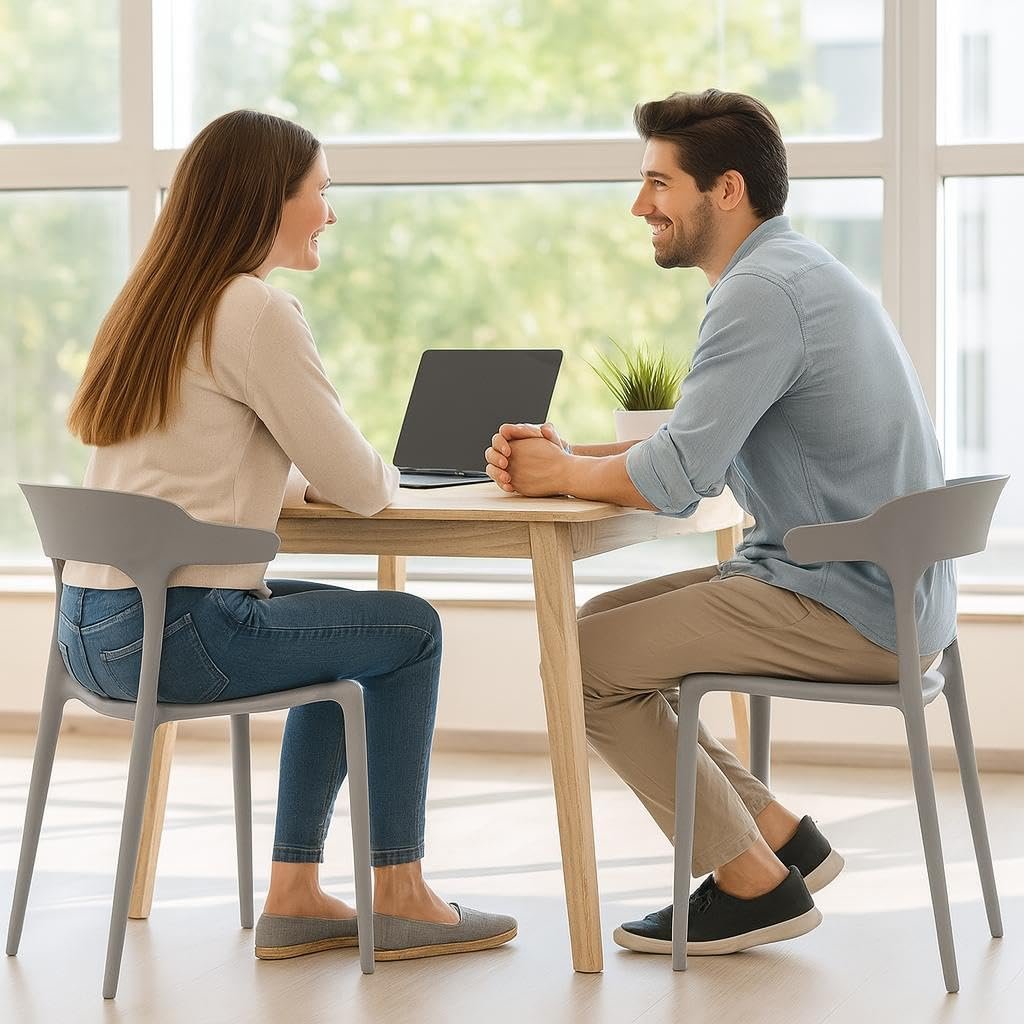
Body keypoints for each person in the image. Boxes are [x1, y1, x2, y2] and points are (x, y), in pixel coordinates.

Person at [485, 89, 953, 956]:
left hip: (846, 599)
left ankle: (752, 886)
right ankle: (776, 838)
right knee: (592, 631)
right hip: (872, 586)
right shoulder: (797, 272)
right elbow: (696, 446)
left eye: (658, 184)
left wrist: (565, 471)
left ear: (725, 190)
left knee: (579, 662)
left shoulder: (762, 293)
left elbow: (675, 479)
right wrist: (573, 455)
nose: (640, 206)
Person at [59, 109, 516, 962]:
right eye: (322, 192)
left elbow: (198, 450)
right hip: (183, 631)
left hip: (94, 630)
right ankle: (402, 891)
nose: (330, 213)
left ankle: (298, 893)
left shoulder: (153, 303)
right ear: (272, 199)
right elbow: (358, 484)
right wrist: (389, 472)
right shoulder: (256, 309)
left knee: (344, 631)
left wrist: (293, 476)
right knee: (409, 628)